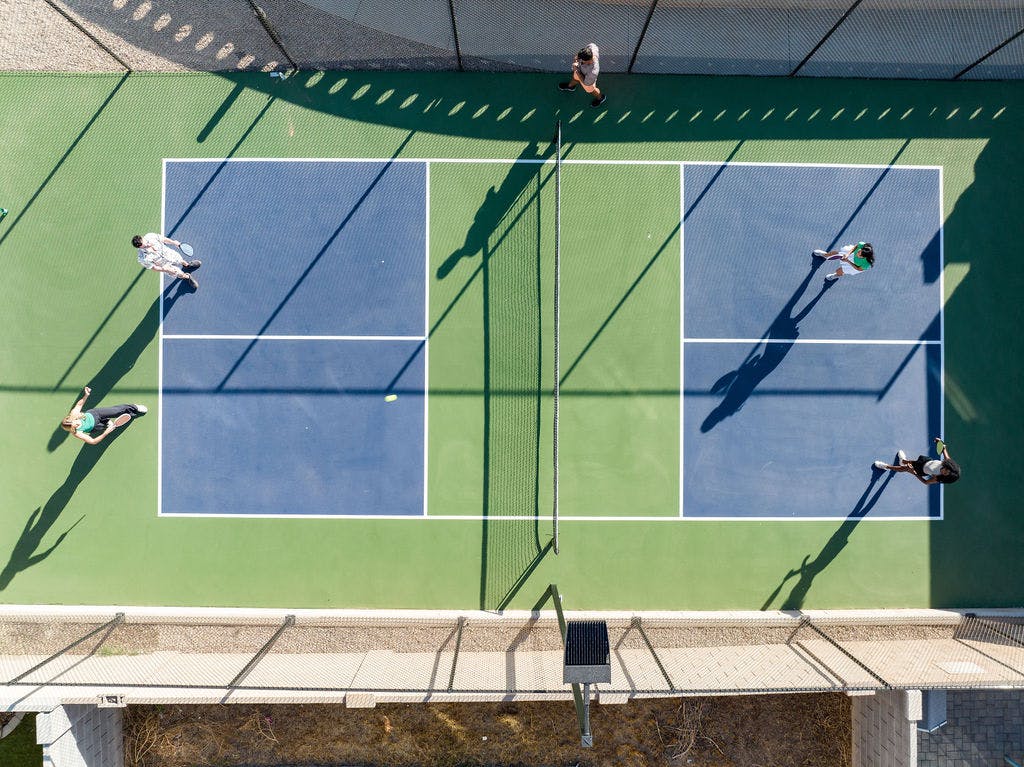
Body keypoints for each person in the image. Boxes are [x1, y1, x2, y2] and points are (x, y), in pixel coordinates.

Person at [60, 386, 147, 446]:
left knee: (117, 411)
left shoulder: (73, 415)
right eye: (74, 426)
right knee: (103, 427)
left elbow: (79, 405)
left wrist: (86, 395)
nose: (76, 424)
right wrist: (106, 433)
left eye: (74, 422)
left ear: (71, 419)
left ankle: (134, 407)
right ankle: (105, 422)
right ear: (71, 429)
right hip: (94, 426)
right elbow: (92, 441)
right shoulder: (76, 432)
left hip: (95, 413)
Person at [873, 438, 960, 484]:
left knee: (905, 468)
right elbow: (944, 450)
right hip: (926, 461)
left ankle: (885, 466)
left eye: (945, 473)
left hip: (920, 470)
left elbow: (926, 482)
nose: (943, 471)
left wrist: (913, 472)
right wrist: (940, 443)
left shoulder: (938, 478)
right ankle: (903, 460)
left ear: (945, 477)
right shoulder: (948, 462)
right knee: (909, 462)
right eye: (946, 469)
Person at [133, 233, 200, 289]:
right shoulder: (142, 258)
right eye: (145, 246)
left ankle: (187, 265)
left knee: (180, 260)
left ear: (143, 238)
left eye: (147, 242)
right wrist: (166, 270)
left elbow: (164, 239)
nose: (148, 245)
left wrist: (174, 242)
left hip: (169, 254)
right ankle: (187, 277)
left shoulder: (150, 236)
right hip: (164, 266)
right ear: (139, 247)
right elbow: (154, 268)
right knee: (179, 273)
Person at [558, 43, 606, 108]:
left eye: (581, 60)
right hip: (579, 70)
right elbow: (579, 54)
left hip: (587, 80)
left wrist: (576, 71)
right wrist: (576, 60)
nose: (579, 60)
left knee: (592, 90)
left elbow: (586, 83)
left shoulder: (593, 72)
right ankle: (571, 87)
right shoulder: (591, 47)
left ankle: (600, 98)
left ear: (588, 60)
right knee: (575, 78)